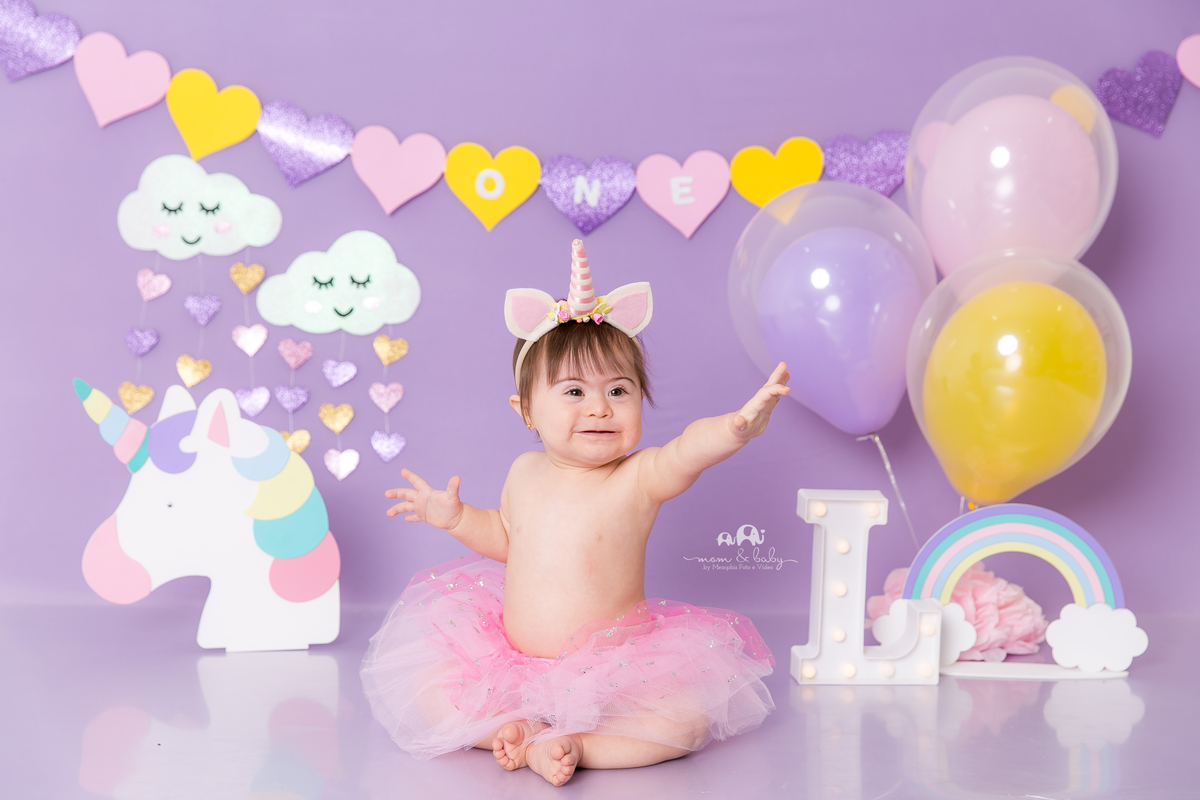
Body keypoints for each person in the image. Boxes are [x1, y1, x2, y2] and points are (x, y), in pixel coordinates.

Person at [361, 239, 790, 786]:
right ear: (527, 412)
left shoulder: (639, 476)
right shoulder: (524, 472)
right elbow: (509, 541)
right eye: (573, 391)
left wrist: (734, 428)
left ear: (641, 402)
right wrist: (456, 518)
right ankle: (509, 731)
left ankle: (575, 743)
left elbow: (688, 449)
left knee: (684, 722)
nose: (599, 407)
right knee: (433, 694)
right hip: (511, 661)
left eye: (618, 389)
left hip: (617, 670)